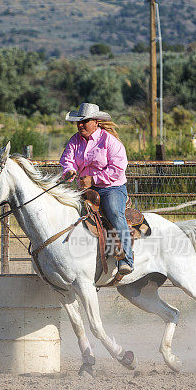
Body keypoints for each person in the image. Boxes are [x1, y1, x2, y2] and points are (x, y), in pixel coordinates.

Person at [60, 102, 133, 275]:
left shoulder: (110, 141)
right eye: (78, 121)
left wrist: (93, 179)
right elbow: (67, 159)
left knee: (115, 212)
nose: (80, 125)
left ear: (96, 122)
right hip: (85, 189)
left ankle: (126, 259)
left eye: (84, 121)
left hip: (111, 188)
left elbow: (117, 169)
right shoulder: (74, 140)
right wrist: (69, 170)